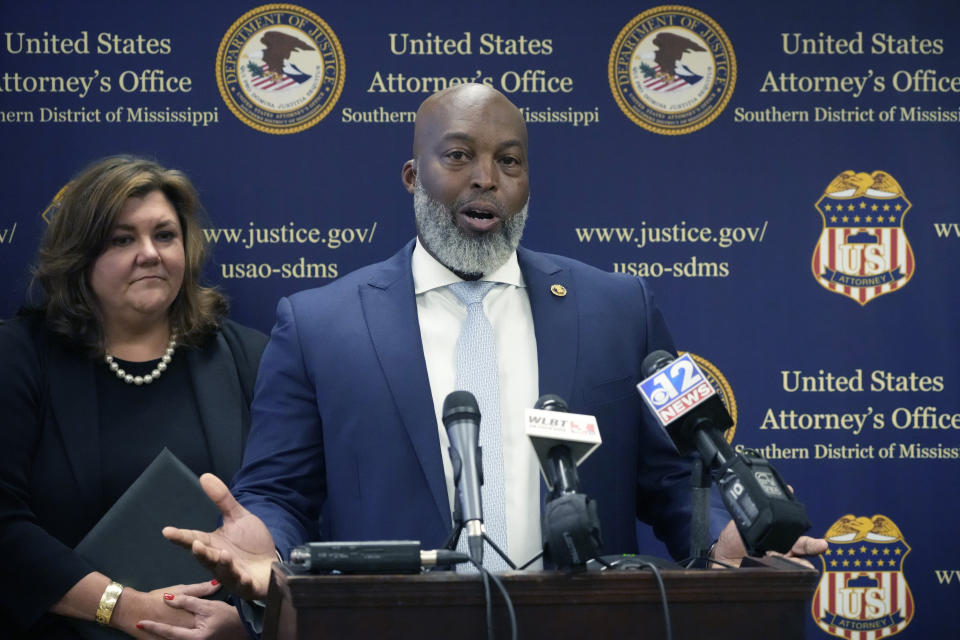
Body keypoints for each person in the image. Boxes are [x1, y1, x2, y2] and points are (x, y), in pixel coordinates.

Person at [165, 84, 825, 605]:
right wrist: (269, 546)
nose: (486, 178)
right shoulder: (319, 325)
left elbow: (677, 479)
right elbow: (280, 494)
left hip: (589, 624)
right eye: (458, 156)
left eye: (509, 161)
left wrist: (725, 536)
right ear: (410, 175)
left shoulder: (618, 309)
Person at [0, 156, 268, 639]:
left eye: (164, 235)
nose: (150, 253)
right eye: (123, 239)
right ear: (78, 255)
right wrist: (122, 607)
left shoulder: (249, 357)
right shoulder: (19, 356)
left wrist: (248, 623)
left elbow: (287, 510)